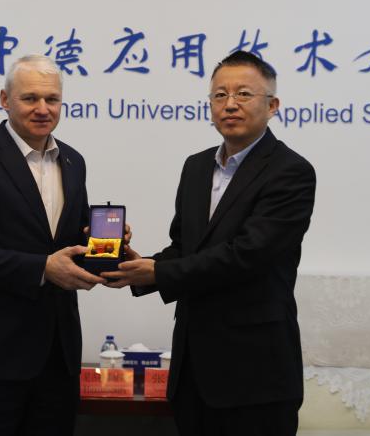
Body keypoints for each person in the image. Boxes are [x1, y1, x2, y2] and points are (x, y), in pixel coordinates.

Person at [105, 50, 316, 436]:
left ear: (272, 106)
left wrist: (160, 272)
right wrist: (136, 266)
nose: (230, 104)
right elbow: (185, 247)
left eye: (243, 94)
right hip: (193, 371)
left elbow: (247, 255)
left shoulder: (291, 171)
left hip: (255, 374)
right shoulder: (196, 166)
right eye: (220, 95)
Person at [0, 54, 105, 436]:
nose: (43, 109)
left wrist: (102, 245)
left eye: (52, 99)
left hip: (58, 355)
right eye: (30, 98)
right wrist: (42, 268)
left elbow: (70, 240)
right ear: (5, 99)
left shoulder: (73, 161)